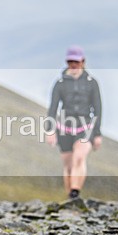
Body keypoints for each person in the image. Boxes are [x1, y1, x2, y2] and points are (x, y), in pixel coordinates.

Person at [45, 46, 103, 199]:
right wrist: (50, 130)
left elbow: (98, 108)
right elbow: (53, 107)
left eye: (76, 62)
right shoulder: (60, 83)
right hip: (64, 126)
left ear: (83, 62)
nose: (73, 65)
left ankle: (75, 191)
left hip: (85, 126)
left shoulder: (92, 83)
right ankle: (70, 197)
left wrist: (97, 133)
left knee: (79, 157)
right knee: (68, 165)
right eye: (70, 62)